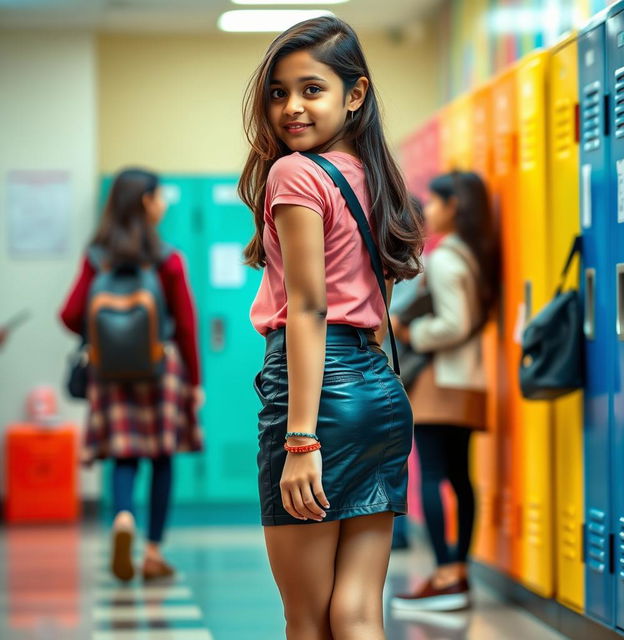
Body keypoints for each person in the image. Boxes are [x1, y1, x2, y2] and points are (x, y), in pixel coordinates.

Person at [240, 16, 424, 639]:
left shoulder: (294, 174)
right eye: (278, 92)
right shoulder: (380, 178)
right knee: (357, 610)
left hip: (316, 399)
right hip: (379, 394)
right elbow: (381, 298)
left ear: (355, 93)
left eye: (311, 89)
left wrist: (300, 441)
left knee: (308, 620)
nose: (291, 107)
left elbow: (308, 310)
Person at [59, 168, 203, 582]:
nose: (163, 204)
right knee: (161, 458)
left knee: (124, 455)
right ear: (145, 202)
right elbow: (187, 324)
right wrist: (194, 383)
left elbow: (69, 314)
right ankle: (153, 552)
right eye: (159, 197)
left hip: (110, 371)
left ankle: (123, 518)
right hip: (162, 368)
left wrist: (103, 336)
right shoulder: (168, 259)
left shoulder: (96, 258)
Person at [391, 171, 500, 612]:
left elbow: (452, 324)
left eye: (434, 204)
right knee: (460, 477)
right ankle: (458, 572)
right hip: (468, 379)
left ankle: (442, 576)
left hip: (441, 383)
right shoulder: (473, 256)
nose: (428, 213)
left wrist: (411, 331)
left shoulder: (446, 260)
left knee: (433, 475)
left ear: (454, 205)